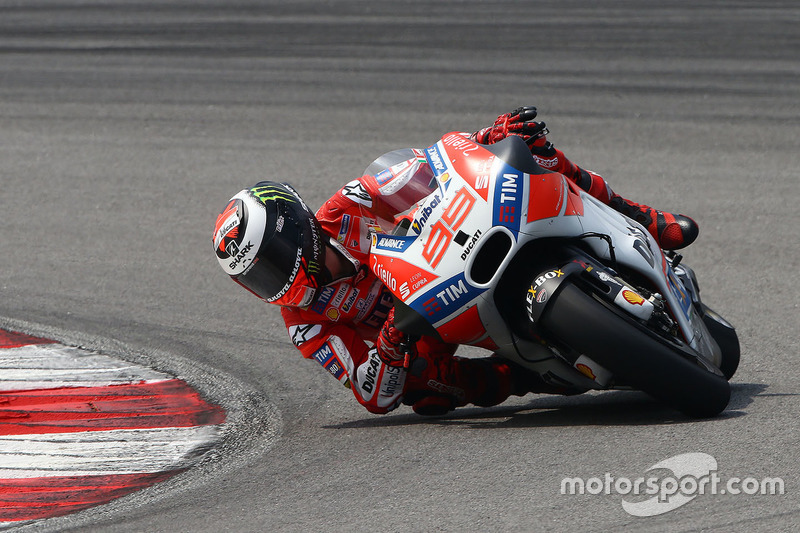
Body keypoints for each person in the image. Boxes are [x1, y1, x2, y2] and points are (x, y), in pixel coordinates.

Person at [211, 107, 699, 416]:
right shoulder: (305, 323)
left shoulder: (349, 205)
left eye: (271, 261)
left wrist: (489, 135)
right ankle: (527, 375)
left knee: (528, 149)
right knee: (426, 392)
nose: (271, 280)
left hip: (459, 254)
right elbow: (372, 396)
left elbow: (437, 164)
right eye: (256, 278)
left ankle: (643, 218)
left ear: (297, 229)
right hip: (432, 324)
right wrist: (390, 344)